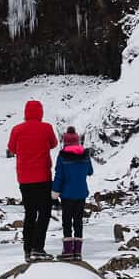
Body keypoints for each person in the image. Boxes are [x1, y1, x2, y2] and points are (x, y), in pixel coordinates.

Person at [7, 100, 58, 262]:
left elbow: (12, 148)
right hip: (43, 177)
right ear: (40, 113)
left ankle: (27, 250)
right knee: (44, 213)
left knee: (29, 214)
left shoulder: (17, 129)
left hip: (25, 179)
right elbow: (54, 144)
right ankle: (38, 248)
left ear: (26, 112)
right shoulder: (46, 128)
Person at [52, 127, 93, 261]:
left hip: (67, 194)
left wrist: (55, 193)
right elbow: (90, 171)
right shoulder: (85, 155)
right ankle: (78, 252)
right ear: (77, 141)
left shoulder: (62, 156)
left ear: (65, 142)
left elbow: (59, 176)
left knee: (67, 221)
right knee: (78, 221)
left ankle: (68, 251)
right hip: (81, 193)